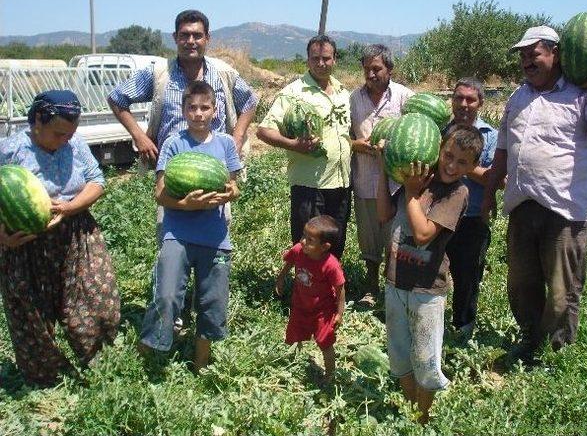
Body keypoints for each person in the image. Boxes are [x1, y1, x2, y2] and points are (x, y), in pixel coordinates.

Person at [481, 25, 587, 360]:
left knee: (562, 291)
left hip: (565, 210)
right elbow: (502, 149)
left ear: (556, 54)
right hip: (522, 204)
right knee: (521, 284)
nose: (527, 61)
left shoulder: (580, 94)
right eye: (523, 55)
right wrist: (489, 193)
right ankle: (531, 340)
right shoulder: (518, 97)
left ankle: (558, 351)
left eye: (535, 53)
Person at [0, 90, 120, 386]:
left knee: (96, 298)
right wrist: (3, 237)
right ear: (37, 121)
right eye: (59, 133)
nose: (65, 139)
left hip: (76, 231)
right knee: (31, 313)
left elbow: (97, 181)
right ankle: (47, 379)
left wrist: (68, 208)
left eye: (70, 133)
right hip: (24, 242)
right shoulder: (10, 149)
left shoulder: (75, 143)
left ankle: (99, 364)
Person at [377, 125, 483, 423]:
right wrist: (382, 166)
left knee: (425, 359)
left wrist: (411, 195)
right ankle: (411, 410)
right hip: (395, 281)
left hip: (427, 291)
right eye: (448, 155)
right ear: (439, 149)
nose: (451, 165)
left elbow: (424, 234)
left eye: (462, 162)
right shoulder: (420, 177)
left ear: (473, 167)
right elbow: (384, 214)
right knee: (399, 356)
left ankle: (422, 419)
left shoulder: (457, 193)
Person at [138, 81, 242, 373]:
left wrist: (230, 193)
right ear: (183, 110)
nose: (198, 113)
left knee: (212, 302)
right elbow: (160, 194)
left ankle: (200, 365)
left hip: (215, 237)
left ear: (215, 110)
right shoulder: (173, 143)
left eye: (204, 107)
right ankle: (145, 357)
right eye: (192, 108)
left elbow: (232, 186)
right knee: (167, 295)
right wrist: (189, 205)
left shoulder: (225, 144)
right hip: (178, 234)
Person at [108, 9, 258, 165]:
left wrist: (238, 137)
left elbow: (249, 102)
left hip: (216, 166)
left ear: (207, 38)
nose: (191, 41)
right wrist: (139, 137)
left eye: (197, 36)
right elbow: (117, 98)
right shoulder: (159, 72)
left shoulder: (224, 73)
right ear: (175, 37)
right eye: (185, 35)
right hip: (171, 168)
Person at [257, 35, 351, 259]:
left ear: (335, 59)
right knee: (309, 245)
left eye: (326, 58)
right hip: (310, 185)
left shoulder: (343, 92)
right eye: (315, 58)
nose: (321, 63)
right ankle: (305, 289)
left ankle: (329, 289)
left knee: (335, 243)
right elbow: (263, 130)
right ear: (307, 61)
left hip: (341, 183)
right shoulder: (293, 93)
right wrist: (293, 145)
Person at [350, 44, 414, 303]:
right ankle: (370, 286)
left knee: (394, 235)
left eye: (376, 69)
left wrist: (393, 147)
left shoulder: (405, 97)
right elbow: (345, 135)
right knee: (368, 235)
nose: (371, 74)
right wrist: (357, 145)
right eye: (367, 69)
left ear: (390, 69)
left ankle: (393, 286)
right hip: (365, 178)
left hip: (396, 183)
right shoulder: (353, 98)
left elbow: (416, 130)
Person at [443, 78, 498, 339]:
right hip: (440, 215)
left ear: (480, 103)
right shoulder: (441, 130)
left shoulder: (490, 136)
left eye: (470, 99)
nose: (464, 104)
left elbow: (494, 178)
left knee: (467, 276)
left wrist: (456, 162)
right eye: (459, 98)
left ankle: (463, 327)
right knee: (435, 271)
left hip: (472, 217)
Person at [275, 215, 346, 384]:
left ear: (325, 246)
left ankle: (330, 375)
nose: (303, 242)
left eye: (310, 240)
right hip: (300, 305)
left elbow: (340, 289)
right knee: (294, 335)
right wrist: (280, 279)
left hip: (323, 311)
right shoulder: (299, 250)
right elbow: (289, 263)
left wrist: (339, 313)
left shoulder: (331, 264)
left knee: (325, 343)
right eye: (303, 236)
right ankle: (294, 363)